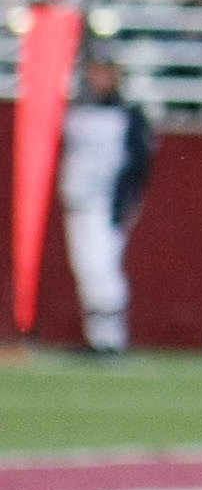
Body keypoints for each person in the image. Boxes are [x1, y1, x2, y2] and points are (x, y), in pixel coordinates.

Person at [59, 50, 153, 353]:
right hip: (77, 201)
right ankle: (97, 336)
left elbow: (139, 162)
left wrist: (127, 202)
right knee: (86, 268)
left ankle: (111, 338)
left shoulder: (128, 114)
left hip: (106, 203)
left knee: (103, 267)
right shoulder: (76, 109)